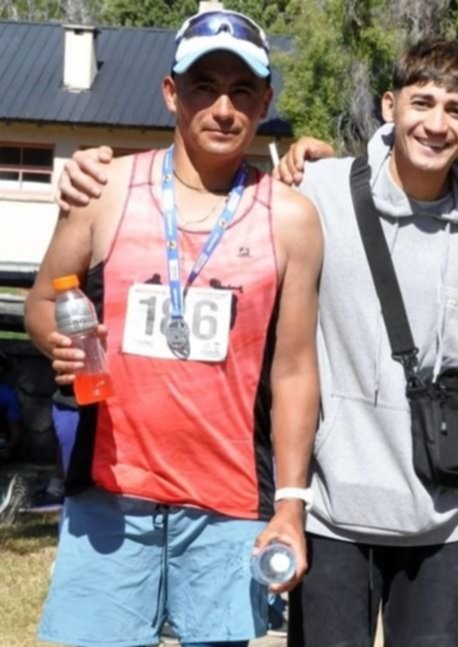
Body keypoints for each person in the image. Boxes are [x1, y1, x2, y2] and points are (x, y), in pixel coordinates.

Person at [59, 38, 458, 646]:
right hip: (333, 508)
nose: (436, 124)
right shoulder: (319, 191)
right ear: (389, 106)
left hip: (444, 516)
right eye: (422, 102)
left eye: (456, 110)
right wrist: (89, 170)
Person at [26, 9, 323, 646]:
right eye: (203, 87)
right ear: (171, 93)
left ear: (265, 101)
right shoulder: (107, 188)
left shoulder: (290, 218)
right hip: (110, 499)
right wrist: (55, 339)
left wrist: (292, 505)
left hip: (226, 507)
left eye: (243, 90)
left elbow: (295, 371)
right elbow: (43, 302)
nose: (223, 108)